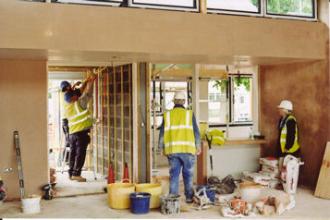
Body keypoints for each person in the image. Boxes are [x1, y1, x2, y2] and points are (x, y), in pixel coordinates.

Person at [158, 91, 201, 203]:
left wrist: (160, 148)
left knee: (174, 175)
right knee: (188, 175)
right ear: (184, 102)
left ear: (174, 102)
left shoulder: (167, 115)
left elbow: (162, 133)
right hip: (188, 150)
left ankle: (173, 200)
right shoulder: (189, 114)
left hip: (173, 150)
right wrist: (198, 146)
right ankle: (188, 198)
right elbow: (196, 132)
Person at [60, 74, 96, 182]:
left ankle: (71, 173)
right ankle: (76, 174)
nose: (74, 97)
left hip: (72, 132)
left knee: (73, 153)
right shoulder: (79, 102)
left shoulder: (67, 102)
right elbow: (87, 93)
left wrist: (87, 81)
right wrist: (91, 82)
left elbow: (81, 91)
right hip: (80, 132)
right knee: (80, 153)